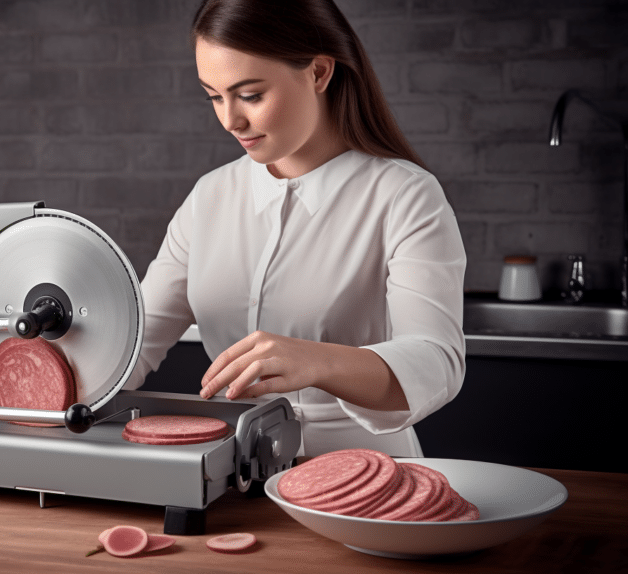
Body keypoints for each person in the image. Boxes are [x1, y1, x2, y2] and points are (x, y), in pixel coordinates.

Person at [124, 0, 466, 458]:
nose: (230, 120)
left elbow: (437, 361)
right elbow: (134, 341)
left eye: (250, 95)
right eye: (214, 96)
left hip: (366, 472)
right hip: (235, 473)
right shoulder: (209, 196)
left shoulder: (405, 195)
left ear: (320, 72)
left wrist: (317, 360)